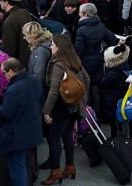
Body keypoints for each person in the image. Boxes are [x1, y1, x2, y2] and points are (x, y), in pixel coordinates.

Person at [41, 35, 90, 184]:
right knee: (68, 136)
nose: (51, 47)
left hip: (61, 107)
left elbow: (54, 91)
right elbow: (87, 78)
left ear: (59, 47)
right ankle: (70, 167)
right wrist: (81, 99)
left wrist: (46, 111)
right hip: (74, 106)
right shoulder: (74, 60)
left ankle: (55, 171)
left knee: (55, 138)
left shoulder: (58, 64)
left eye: (53, 45)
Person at [0, 58, 43, 186]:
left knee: (16, 165)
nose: (3, 76)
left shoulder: (13, 89)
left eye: (4, 73)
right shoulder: (34, 81)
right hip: (31, 129)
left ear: (11, 72)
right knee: (22, 163)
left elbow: (7, 113)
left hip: (16, 134)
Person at [75, 2, 116, 114]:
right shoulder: (101, 26)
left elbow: (78, 50)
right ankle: (97, 113)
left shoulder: (81, 30)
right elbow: (113, 40)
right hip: (98, 60)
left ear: (85, 14)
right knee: (95, 87)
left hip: (85, 62)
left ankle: (87, 114)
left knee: (85, 88)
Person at [0, 0, 33, 67]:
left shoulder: (10, 20)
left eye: (0, 0)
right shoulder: (24, 13)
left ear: (6, 2)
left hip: (17, 65)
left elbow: (9, 49)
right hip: (28, 60)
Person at [22, 21, 53, 86]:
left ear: (32, 35)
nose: (24, 38)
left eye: (25, 35)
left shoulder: (41, 50)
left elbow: (38, 74)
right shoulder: (45, 44)